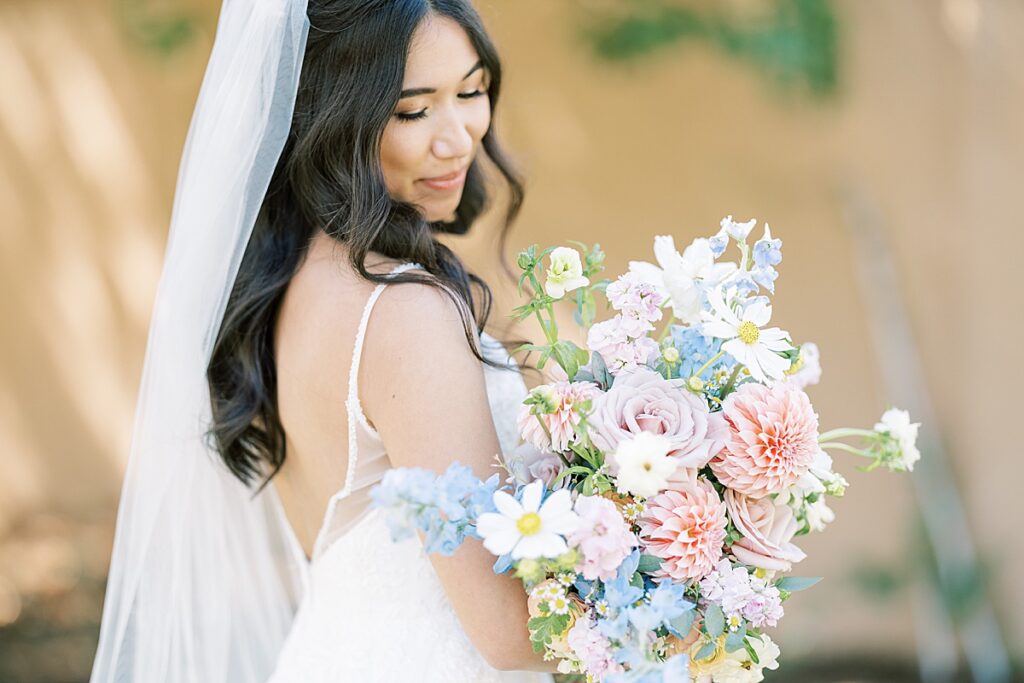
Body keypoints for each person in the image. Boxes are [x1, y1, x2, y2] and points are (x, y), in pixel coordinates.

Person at [90, 0, 556, 681]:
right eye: (413, 110)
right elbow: (512, 632)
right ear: (335, 113)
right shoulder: (405, 312)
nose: (458, 137)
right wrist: (703, 576)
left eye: (472, 91)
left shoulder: (294, 280)